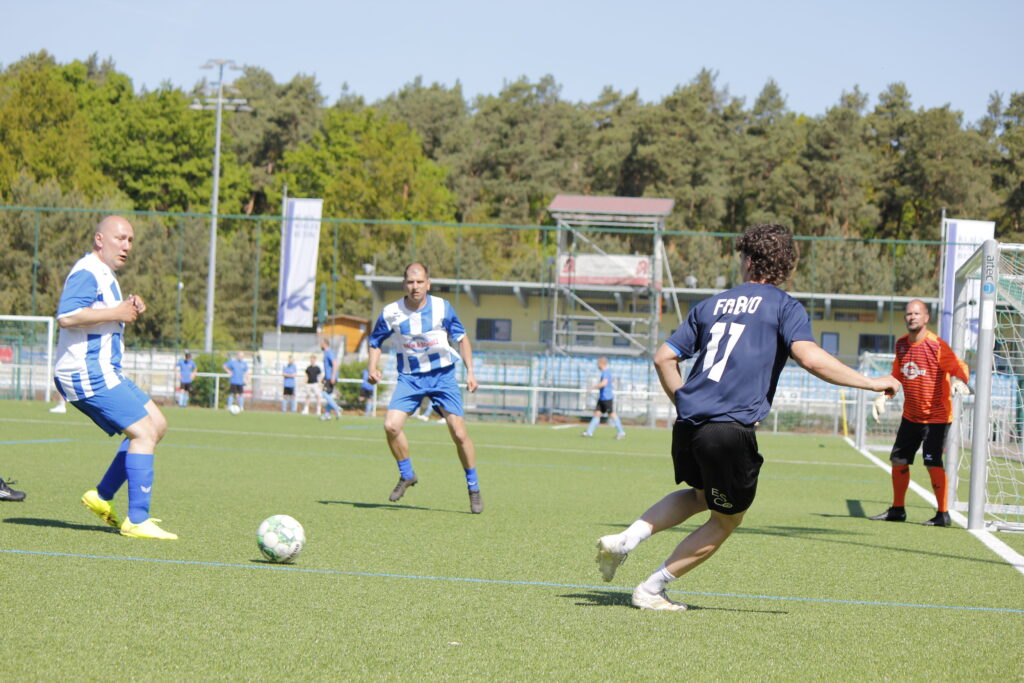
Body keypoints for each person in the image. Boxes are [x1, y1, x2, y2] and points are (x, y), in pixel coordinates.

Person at [593, 223, 899, 611]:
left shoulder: (711, 305)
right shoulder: (784, 306)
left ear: (750, 260)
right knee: (726, 520)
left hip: (689, 425)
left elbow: (663, 358)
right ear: (784, 266)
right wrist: (870, 382)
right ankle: (652, 589)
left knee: (700, 496)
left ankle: (627, 538)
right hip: (727, 431)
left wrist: (684, 403)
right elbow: (809, 357)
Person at [54, 215, 177, 539]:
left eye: (130, 240)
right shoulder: (87, 270)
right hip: (85, 371)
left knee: (157, 425)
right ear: (99, 240)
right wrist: (117, 312)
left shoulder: (105, 274)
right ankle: (137, 520)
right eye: (120, 238)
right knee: (144, 434)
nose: (127, 246)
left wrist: (129, 306)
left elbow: (100, 313)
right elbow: (67, 316)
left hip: (105, 370)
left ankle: (101, 496)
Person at [366, 262, 483, 514]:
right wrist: (372, 368)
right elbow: (375, 341)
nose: (415, 286)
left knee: (459, 433)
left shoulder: (442, 307)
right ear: (404, 284)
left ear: (428, 284)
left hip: (443, 377)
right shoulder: (391, 312)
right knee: (391, 426)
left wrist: (471, 371)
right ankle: (407, 474)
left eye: (420, 282)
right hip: (410, 378)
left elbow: (461, 338)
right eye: (410, 282)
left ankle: (473, 487)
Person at [869, 299, 970, 527]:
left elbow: (959, 367)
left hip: (936, 418)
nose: (912, 317)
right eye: (908, 314)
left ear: (926, 318)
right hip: (911, 416)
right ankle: (897, 509)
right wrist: (884, 396)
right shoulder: (901, 345)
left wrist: (958, 380)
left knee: (932, 462)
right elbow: (897, 376)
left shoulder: (937, 345)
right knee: (898, 460)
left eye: (916, 313)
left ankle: (942, 514)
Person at [581, 357, 626, 440]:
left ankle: (621, 432)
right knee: (597, 414)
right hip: (602, 397)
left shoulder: (605, 372)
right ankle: (589, 432)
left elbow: (604, 383)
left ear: (601, 364)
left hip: (606, 397)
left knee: (612, 414)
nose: (597, 366)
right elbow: (612, 381)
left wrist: (593, 387)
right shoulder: (607, 372)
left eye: (598, 364)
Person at [320, 339, 342, 420]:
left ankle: (337, 408)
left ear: (325, 344)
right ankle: (327, 414)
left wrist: (333, 376)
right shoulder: (326, 352)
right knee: (328, 395)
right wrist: (324, 377)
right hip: (328, 377)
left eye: (321, 344)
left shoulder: (329, 352)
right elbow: (328, 367)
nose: (320, 345)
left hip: (331, 377)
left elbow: (335, 364)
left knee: (324, 394)